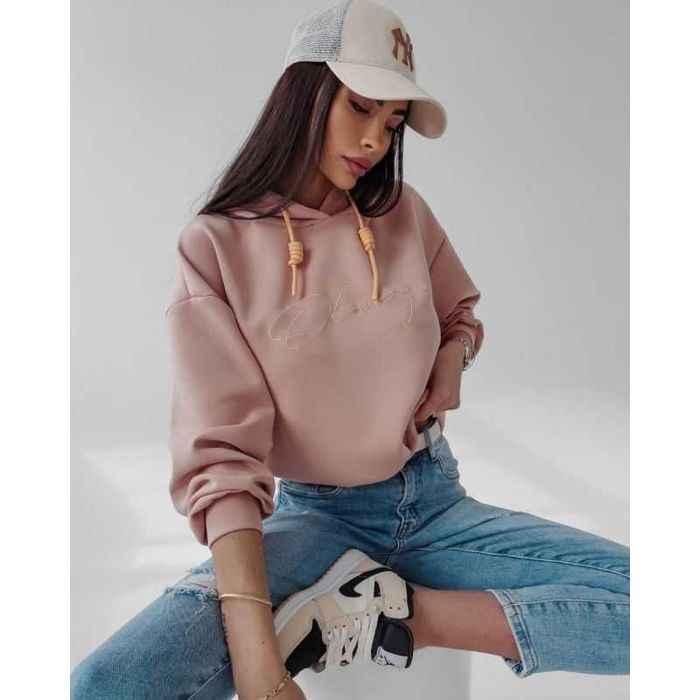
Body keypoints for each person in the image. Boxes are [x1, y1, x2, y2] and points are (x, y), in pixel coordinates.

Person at [70, 1, 630, 698]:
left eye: (392, 122)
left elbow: (460, 313)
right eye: (360, 106)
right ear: (303, 94)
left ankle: (402, 617)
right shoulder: (215, 246)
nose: (373, 140)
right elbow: (223, 460)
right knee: (108, 683)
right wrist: (257, 661)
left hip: (435, 503)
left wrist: (452, 360)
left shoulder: (403, 214)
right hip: (315, 517)